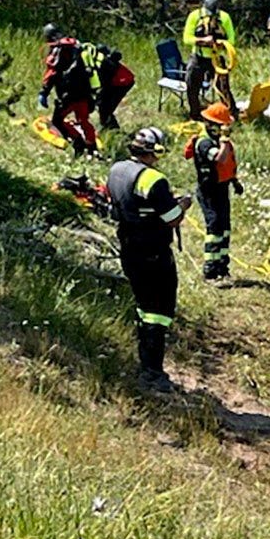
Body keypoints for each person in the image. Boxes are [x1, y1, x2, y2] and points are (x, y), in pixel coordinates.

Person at [107, 127, 192, 392]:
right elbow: (172, 218)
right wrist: (183, 205)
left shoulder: (117, 169)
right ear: (155, 151)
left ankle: (145, 363)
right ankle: (152, 372)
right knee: (159, 310)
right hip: (153, 252)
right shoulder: (154, 179)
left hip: (128, 247)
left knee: (144, 306)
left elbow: (132, 202)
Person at [183, 101, 243, 282]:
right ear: (211, 124)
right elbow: (221, 158)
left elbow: (227, 167)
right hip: (208, 190)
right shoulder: (204, 142)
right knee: (214, 226)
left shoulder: (218, 140)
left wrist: (235, 182)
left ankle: (222, 267)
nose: (225, 129)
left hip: (222, 188)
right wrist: (224, 139)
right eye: (222, 125)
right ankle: (210, 269)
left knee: (224, 227)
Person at [40, 24, 99, 156]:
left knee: (57, 121)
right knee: (83, 120)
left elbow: (52, 72)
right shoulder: (77, 46)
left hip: (68, 93)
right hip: (85, 92)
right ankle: (92, 148)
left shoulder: (58, 49)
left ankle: (78, 143)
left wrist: (44, 92)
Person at [181, 0, 237, 120]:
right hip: (198, 56)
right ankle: (195, 113)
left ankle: (230, 112)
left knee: (223, 87)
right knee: (191, 84)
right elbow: (187, 38)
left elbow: (232, 39)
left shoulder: (225, 17)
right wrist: (203, 40)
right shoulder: (195, 16)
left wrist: (221, 43)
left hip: (217, 58)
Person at [89, 44, 135, 130]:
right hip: (117, 81)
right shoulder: (101, 62)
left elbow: (104, 82)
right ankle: (108, 126)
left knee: (105, 107)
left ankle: (112, 129)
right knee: (102, 105)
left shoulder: (106, 65)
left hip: (122, 82)